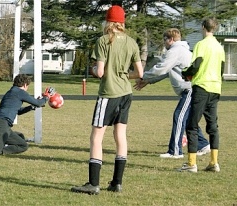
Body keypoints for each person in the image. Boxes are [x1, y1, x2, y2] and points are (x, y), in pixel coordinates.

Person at [71, 5, 143, 195]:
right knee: (120, 137)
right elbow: (140, 73)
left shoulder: (103, 41)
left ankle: (93, 184)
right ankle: (116, 182)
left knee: (96, 138)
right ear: (122, 22)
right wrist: (123, 76)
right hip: (126, 94)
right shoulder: (131, 42)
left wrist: (95, 70)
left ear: (108, 21)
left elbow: (100, 72)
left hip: (108, 94)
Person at [134, 28, 210, 159]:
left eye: (164, 40)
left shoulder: (175, 51)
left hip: (189, 89)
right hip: (191, 89)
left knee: (179, 117)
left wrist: (142, 75)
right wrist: (148, 81)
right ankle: (203, 144)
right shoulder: (180, 50)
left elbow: (161, 68)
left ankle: (175, 151)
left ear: (171, 39)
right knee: (187, 120)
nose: (164, 43)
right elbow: (166, 72)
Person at [178, 17, 225, 173]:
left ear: (203, 27)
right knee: (213, 126)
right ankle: (214, 162)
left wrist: (186, 73)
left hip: (202, 88)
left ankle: (191, 163)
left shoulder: (201, 45)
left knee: (191, 124)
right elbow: (221, 70)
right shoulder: (219, 47)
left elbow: (196, 65)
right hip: (215, 88)